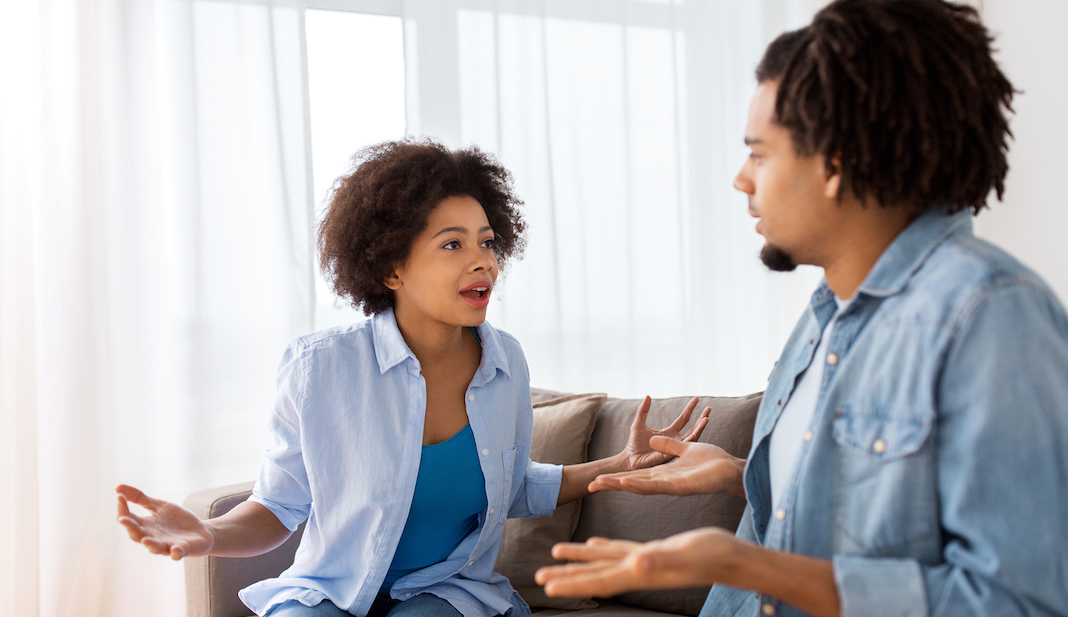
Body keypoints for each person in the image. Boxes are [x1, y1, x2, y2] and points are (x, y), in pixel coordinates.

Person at [534, 1, 1068, 616]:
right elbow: (871, 508)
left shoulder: (990, 318)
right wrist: (743, 474)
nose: (741, 178)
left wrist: (742, 563)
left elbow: (1017, 602)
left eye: (760, 153)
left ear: (835, 163)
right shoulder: (825, 314)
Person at [116, 138, 712, 617]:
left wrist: (614, 467)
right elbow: (279, 506)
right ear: (391, 266)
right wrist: (208, 533)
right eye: (452, 244)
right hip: (330, 591)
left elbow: (510, 487)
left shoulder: (506, 363)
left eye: (486, 242)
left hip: (446, 592)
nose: (483, 261)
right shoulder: (319, 367)